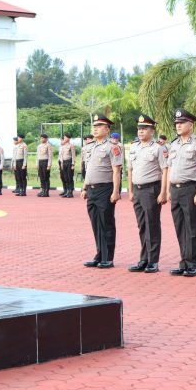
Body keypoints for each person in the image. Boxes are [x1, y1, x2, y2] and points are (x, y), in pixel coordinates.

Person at [167, 109, 196, 277]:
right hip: (175, 189)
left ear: (190, 125)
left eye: (181, 123)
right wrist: (168, 190)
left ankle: (194, 264)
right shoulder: (174, 144)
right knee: (180, 227)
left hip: (190, 188)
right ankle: (184, 262)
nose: (178, 126)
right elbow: (170, 168)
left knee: (192, 228)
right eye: (176, 123)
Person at [127, 114, 168, 273]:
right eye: (139, 129)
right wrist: (130, 190)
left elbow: (165, 170)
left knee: (152, 225)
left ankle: (153, 261)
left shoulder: (158, 148)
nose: (141, 131)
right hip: (137, 190)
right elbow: (130, 170)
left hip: (151, 189)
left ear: (152, 131)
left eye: (144, 129)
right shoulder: (134, 147)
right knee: (142, 226)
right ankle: (143, 259)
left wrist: (163, 192)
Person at [81, 114, 123, 268]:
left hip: (105, 189)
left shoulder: (113, 147)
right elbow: (88, 170)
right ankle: (99, 254)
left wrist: (116, 191)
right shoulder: (90, 147)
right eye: (94, 126)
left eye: (99, 126)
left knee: (106, 223)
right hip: (91, 190)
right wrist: (84, 187)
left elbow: (116, 171)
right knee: (96, 224)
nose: (95, 129)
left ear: (107, 129)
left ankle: (108, 258)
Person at [58, 133, 76, 197]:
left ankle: (70, 192)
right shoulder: (63, 146)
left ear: (68, 138)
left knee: (69, 177)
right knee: (65, 178)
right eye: (64, 137)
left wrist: (73, 164)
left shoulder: (71, 146)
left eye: (65, 137)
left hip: (69, 162)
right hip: (64, 163)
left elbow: (73, 155)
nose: (64, 138)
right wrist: (61, 163)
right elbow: (61, 156)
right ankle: (67, 191)